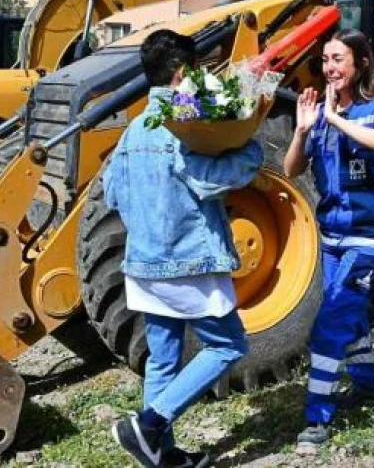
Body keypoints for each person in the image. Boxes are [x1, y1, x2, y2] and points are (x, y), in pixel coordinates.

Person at [104, 28, 265, 468]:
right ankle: (151, 424)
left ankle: (163, 456)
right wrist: (251, 152)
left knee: (163, 358)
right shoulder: (184, 122)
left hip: (143, 264)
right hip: (188, 260)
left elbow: (111, 193)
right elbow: (208, 180)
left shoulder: (133, 130)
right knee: (228, 346)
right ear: (182, 74)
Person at [282, 29, 374, 453]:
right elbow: (292, 168)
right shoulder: (318, 114)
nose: (330, 68)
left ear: (361, 63)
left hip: (370, 239)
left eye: (338, 59)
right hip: (333, 237)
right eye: (326, 60)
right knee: (350, 314)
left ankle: (317, 419)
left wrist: (336, 120)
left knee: (331, 324)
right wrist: (302, 131)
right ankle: (368, 385)